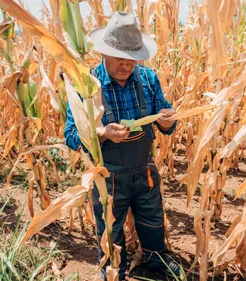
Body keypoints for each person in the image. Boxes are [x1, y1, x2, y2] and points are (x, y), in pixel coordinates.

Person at [64, 12, 180, 281]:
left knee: (152, 220)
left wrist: (165, 121)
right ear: (104, 53)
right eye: (120, 58)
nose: (127, 65)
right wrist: (103, 133)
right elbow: (71, 135)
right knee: (110, 229)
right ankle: (113, 268)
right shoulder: (88, 86)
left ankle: (156, 258)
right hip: (108, 176)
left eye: (132, 59)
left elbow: (168, 125)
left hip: (144, 170)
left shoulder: (148, 79)